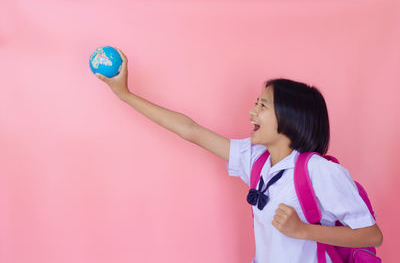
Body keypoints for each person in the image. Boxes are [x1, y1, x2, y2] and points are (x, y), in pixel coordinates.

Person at [94, 48, 383, 263]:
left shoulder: (319, 171)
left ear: (290, 118)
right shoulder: (255, 160)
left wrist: (303, 230)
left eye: (263, 105)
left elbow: (372, 235)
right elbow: (190, 130)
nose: (251, 112)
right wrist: (124, 94)